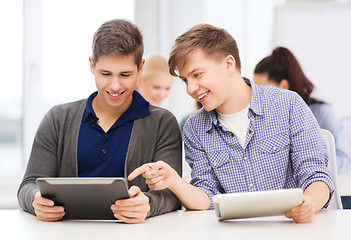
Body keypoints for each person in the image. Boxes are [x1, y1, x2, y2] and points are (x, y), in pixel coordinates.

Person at [128, 23, 334, 223]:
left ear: (228, 64)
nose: (190, 88)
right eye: (184, 80)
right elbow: (207, 197)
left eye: (197, 74)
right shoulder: (194, 128)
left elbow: (316, 175)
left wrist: (310, 204)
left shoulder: (288, 105)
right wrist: (174, 181)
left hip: (291, 229)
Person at [17, 19, 182, 224]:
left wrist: (148, 203)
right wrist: (35, 201)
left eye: (125, 74)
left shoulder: (162, 123)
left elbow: (172, 194)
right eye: (105, 73)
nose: (115, 85)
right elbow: (28, 185)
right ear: (91, 65)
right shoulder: (57, 119)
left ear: (140, 68)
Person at [253, 47, 351, 174]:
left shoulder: (322, 112)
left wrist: (308, 164)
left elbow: (344, 159)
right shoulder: (262, 118)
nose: (257, 96)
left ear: (284, 86)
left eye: (262, 90)